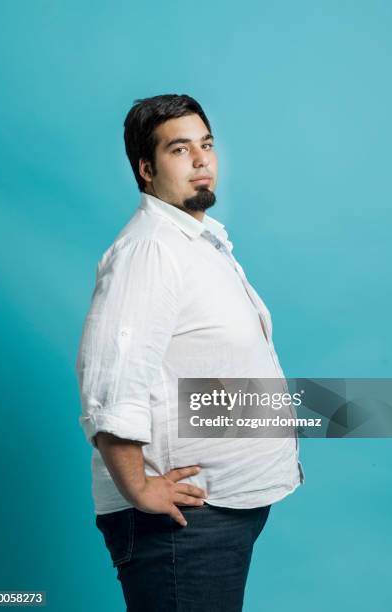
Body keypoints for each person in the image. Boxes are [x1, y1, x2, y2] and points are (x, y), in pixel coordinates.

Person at [75, 93, 305, 611]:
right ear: (146, 169)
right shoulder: (151, 249)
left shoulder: (198, 243)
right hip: (185, 523)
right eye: (180, 149)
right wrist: (139, 488)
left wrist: (390, 408)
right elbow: (112, 378)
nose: (202, 160)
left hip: (222, 510)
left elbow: (205, 380)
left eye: (206, 145)